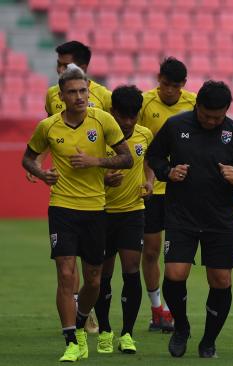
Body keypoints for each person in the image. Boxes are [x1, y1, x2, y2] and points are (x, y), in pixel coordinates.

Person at [22, 64, 133, 362]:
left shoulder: (104, 120)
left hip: (96, 209)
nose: (80, 96)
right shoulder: (49, 127)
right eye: (72, 92)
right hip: (62, 208)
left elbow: (127, 159)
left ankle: (82, 318)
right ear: (62, 96)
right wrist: (41, 173)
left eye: (83, 90)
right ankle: (71, 338)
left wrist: (96, 161)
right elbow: (28, 158)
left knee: (94, 280)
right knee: (66, 273)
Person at [146, 80, 233, 358]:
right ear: (197, 105)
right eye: (206, 115)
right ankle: (182, 328)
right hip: (180, 216)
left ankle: (209, 340)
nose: (212, 121)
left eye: (218, 117)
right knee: (175, 275)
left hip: (218, 220)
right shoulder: (176, 126)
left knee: (221, 281)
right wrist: (167, 172)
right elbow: (154, 156)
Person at [36, 40, 113, 333]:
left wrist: (105, 167)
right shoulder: (53, 95)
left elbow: (115, 136)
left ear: (82, 67)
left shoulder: (104, 97)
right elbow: (49, 129)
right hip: (66, 192)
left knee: (96, 269)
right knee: (67, 265)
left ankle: (86, 309)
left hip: (100, 186)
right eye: (58, 65)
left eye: (64, 64)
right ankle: (79, 317)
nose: (59, 69)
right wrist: (42, 164)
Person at [137, 57, 197, 332]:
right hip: (149, 188)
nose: (168, 90)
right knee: (150, 251)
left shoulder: (194, 104)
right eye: (164, 84)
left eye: (174, 86)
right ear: (157, 79)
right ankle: (156, 308)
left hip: (181, 190)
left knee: (177, 254)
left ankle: (172, 310)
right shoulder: (145, 103)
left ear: (183, 85)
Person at [93, 85, 153, 355]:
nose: (128, 123)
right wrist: (102, 178)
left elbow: (149, 162)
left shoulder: (144, 134)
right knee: (101, 276)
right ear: (112, 112)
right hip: (101, 212)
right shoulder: (98, 137)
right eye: (123, 116)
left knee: (131, 271)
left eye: (133, 116)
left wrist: (149, 182)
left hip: (132, 212)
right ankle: (105, 330)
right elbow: (79, 173)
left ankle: (127, 334)